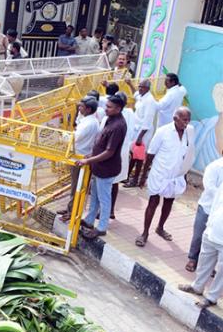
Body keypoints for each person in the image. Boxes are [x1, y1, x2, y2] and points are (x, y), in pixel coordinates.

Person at [135, 108, 193, 248]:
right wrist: (143, 176)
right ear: (175, 118)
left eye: (188, 120)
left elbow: (187, 155)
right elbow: (150, 154)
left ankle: (160, 228)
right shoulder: (163, 132)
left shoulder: (189, 132)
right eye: (184, 119)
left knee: (169, 203)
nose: (186, 123)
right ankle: (145, 233)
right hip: (159, 174)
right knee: (153, 202)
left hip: (175, 176)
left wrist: (184, 174)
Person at [76, 93, 127, 239]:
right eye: (106, 106)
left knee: (104, 198)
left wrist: (88, 160)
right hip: (99, 166)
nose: (106, 109)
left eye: (109, 107)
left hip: (107, 168)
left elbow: (109, 152)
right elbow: (101, 143)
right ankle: (89, 220)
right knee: (95, 196)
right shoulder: (110, 120)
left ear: (118, 109)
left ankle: (102, 227)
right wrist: (91, 156)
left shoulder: (118, 126)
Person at [179, 183, 223, 308]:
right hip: (212, 231)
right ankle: (197, 287)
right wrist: (209, 225)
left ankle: (212, 298)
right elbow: (216, 203)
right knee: (204, 262)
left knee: (221, 272)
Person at [59, 96, 100, 222]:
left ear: (88, 109)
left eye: (81, 106)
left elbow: (73, 138)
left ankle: (72, 213)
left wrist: (61, 134)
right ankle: (71, 209)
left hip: (80, 157)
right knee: (76, 186)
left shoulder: (88, 124)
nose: (79, 108)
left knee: (77, 186)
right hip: (82, 155)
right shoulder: (90, 121)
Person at [185, 151, 223, 272]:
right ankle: (192, 259)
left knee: (214, 238)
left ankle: (209, 266)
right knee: (198, 235)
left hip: (220, 212)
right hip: (207, 207)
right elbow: (210, 187)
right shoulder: (214, 167)